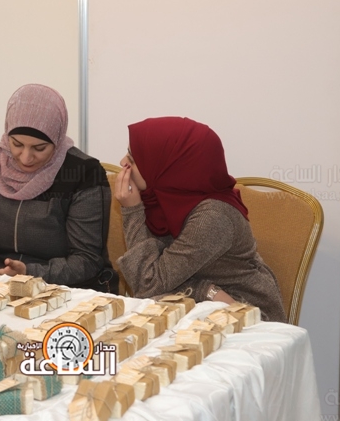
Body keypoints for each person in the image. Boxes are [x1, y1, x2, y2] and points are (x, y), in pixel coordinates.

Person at [0, 84, 118, 293]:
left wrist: (28, 272)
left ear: (57, 139)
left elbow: (87, 261)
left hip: (66, 290)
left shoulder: (83, 173)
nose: (26, 158)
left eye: (39, 148)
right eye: (17, 144)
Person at [113, 116, 286, 322]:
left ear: (168, 166)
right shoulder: (160, 200)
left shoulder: (212, 217)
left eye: (133, 159)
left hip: (244, 313)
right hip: (200, 304)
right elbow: (151, 283)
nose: (122, 162)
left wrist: (132, 211)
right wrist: (204, 290)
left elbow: (147, 285)